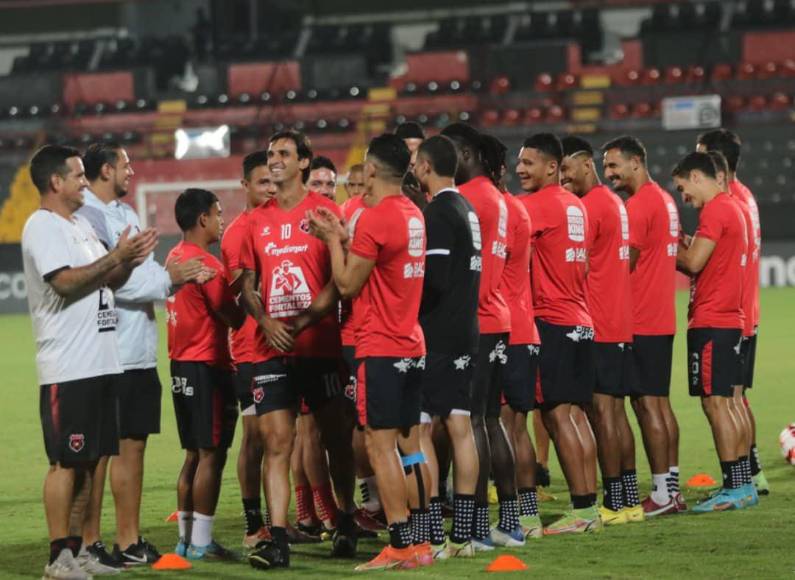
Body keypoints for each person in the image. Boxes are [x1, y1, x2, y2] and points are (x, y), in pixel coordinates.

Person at [22, 145, 157, 580]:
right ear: (55, 182)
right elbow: (64, 283)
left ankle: (77, 549)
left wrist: (127, 259)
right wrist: (116, 256)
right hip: (69, 366)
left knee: (88, 462)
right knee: (66, 463)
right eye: (78, 175)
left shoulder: (80, 224)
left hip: (102, 363)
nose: (85, 182)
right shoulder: (42, 226)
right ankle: (57, 558)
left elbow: (108, 280)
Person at [76, 142, 205, 568]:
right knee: (98, 453)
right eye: (125, 165)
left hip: (137, 349)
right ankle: (89, 541)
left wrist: (169, 277)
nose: (131, 171)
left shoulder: (125, 213)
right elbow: (113, 280)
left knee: (133, 446)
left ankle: (128, 541)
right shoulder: (87, 216)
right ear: (106, 169)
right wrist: (169, 280)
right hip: (107, 350)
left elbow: (143, 271)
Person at [307, 133, 428, 571]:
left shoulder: (376, 218)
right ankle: (421, 539)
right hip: (412, 343)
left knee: (379, 447)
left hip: (380, 345)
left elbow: (345, 285)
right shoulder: (413, 213)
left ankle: (399, 544)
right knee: (409, 446)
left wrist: (330, 239)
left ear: (371, 170)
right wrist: (346, 237)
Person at [240, 131, 357, 570]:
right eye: (271, 153)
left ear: (304, 162)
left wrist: (304, 321)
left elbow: (338, 281)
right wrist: (266, 321)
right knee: (277, 443)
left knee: (335, 439)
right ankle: (277, 539)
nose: (274, 160)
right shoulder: (255, 220)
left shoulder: (325, 212)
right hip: (270, 347)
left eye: (284, 153)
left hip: (319, 346)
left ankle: (345, 519)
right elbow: (246, 285)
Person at [517, 133, 601, 534]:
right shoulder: (574, 205)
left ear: (552, 167)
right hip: (580, 318)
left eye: (528, 162)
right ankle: (588, 507)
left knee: (555, 416)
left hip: (551, 319)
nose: (520, 169)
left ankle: (582, 511)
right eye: (519, 162)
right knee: (575, 415)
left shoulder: (535, 206)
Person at [440, 123, 517, 549]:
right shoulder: (496, 197)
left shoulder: (467, 197)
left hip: (476, 321)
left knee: (470, 423)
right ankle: (510, 522)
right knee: (489, 420)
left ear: (465, 154)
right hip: (498, 317)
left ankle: (477, 528)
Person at [560, 136, 643, 525]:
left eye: (566, 170)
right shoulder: (613, 203)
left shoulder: (590, 206)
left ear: (584, 164)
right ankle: (628, 499)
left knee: (602, 412)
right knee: (616, 412)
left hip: (600, 320)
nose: (563, 178)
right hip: (619, 320)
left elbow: (580, 267)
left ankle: (612, 499)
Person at [602, 135, 683, 516]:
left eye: (614, 165)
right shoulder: (664, 200)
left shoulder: (637, 206)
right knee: (660, 405)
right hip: (661, 317)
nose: (609, 173)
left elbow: (624, 265)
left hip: (640, 320)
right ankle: (672, 489)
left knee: (646, 407)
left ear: (636, 162)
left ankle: (662, 494)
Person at [673, 151, 754, 512]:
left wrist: (666, 245)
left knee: (715, 403)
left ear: (696, 176)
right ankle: (743, 483)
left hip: (712, 319)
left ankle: (734, 488)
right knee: (729, 402)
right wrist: (685, 240)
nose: (683, 196)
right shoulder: (733, 208)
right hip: (730, 319)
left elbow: (693, 262)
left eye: (683, 187)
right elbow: (709, 253)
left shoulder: (716, 210)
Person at [412, 135, 481, 558]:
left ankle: (433, 535)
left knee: (420, 429)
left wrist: (406, 306)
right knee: (460, 426)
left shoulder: (438, 211)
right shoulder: (467, 209)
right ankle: (465, 536)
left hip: (436, 334)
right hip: (466, 331)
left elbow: (433, 280)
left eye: (416, 163)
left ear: (425, 166)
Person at [167, 188, 245, 560]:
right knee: (212, 455)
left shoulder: (175, 257)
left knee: (193, 455)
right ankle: (201, 543)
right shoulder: (206, 265)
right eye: (217, 213)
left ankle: (184, 540)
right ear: (203, 219)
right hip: (208, 367)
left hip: (181, 365)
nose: (221, 220)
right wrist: (251, 294)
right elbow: (233, 315)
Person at [695, 129, 768, 495]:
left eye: (700, 155)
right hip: (746, 311)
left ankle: (742, 480)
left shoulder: (725, 203)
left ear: (717, 163)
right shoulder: (746, 196)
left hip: (727, 312)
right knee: (737, 398)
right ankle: (752, 473)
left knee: (725, 400)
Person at [480, 134, 544, 539]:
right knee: (516, 427)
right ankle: (529, 516)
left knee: (500, 426)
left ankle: (515, 517)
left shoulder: (493, 209)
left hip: (505, 329)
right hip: (524, 325)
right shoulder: (517, 209)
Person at [220, 151, 277, 548]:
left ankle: (281, 521)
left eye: (273, 181)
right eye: (262, 182)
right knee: (256, 437)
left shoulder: (281, 223)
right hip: (251, 350)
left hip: (283, 346)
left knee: (283, 439)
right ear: (245, 185)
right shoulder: (239, 231)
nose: (270, 189)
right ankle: (253, 524)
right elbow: (242, 293)